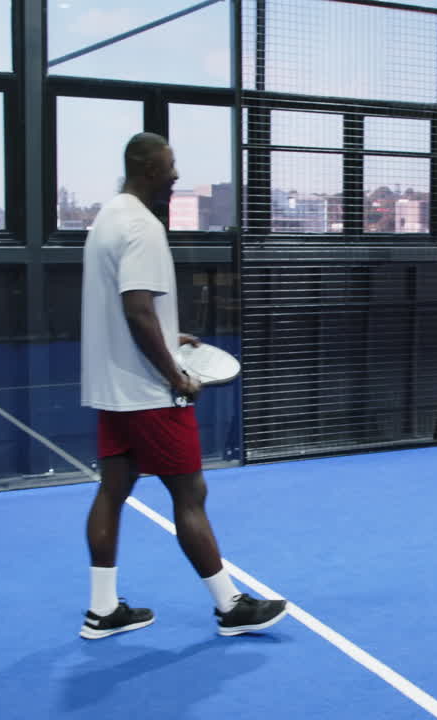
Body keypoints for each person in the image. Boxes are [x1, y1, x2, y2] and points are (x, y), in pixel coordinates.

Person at [78, 132, 287, 639]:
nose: (175, 176)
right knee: (190, 492)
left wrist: (171, 337)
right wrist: (176, 374)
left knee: (113, 489)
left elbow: (131, 310)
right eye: (169, 167)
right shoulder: (142, 227)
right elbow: (136, 309)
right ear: (148, 169)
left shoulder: (107, 218)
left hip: (113, 387)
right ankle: (229, 606)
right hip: (151, 392)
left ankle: (102, 610)